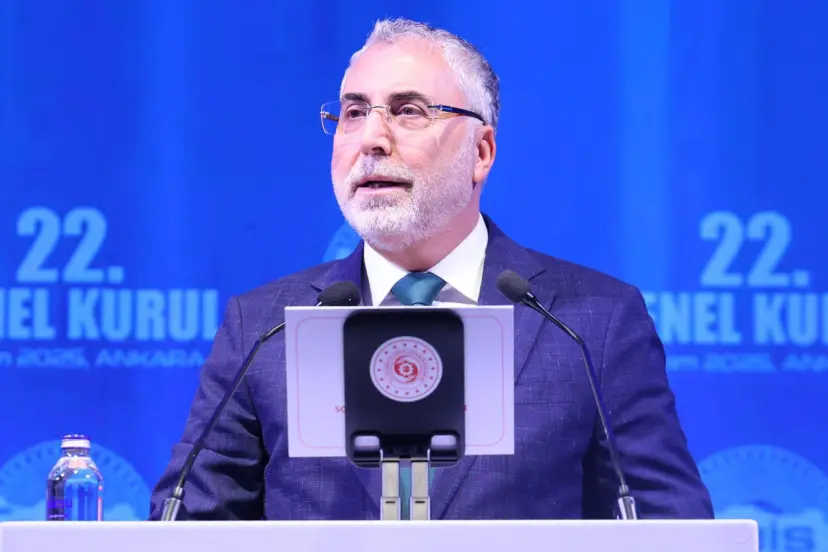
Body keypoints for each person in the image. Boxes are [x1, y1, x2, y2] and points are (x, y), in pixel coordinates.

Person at [149, 17, 714, 521]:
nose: (372, 139)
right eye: (353, 113)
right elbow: (187, 524)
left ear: (481, 152)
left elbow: (670, 526)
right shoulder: (262, 327)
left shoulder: (590, 324)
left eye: (408, 111)